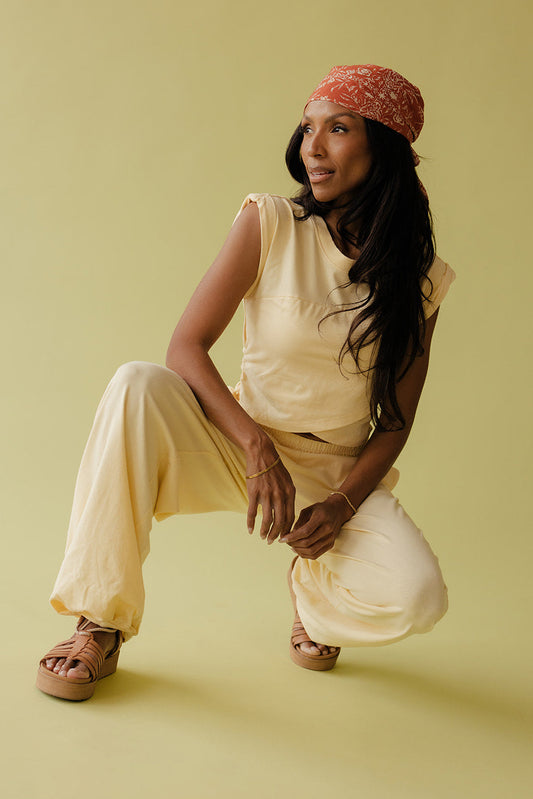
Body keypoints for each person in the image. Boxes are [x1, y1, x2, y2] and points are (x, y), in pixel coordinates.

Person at [36, 64, 456, 701]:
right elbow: (186, 346)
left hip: (333, 476)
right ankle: (99, 622)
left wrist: (342, 505)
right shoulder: (272, 223)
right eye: (308, 128)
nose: (311, 147)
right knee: (136, 384)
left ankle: (311, 594)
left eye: (337, 129)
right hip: (236, 441)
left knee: (419, 596)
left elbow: (395, 422)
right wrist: (258, 449)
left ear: (384, 148)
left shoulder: (421, 280)